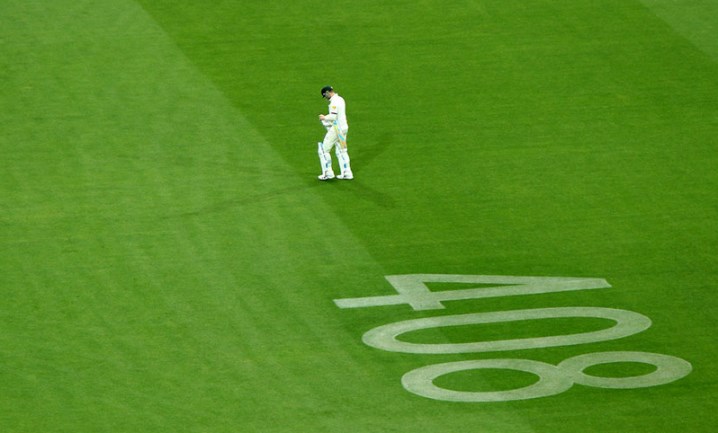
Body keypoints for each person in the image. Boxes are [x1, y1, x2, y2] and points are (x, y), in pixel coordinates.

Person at [317, 85, 353, 180]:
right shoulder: (341, 99)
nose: (325, 98)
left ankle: (328, 173)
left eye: (325, 95)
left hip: (337, 129)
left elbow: (333, 116)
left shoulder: (334, 102)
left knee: (324, 150)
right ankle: (347, 173)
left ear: (328, 92)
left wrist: (324, 117)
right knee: (342, 150)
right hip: (344, 127)